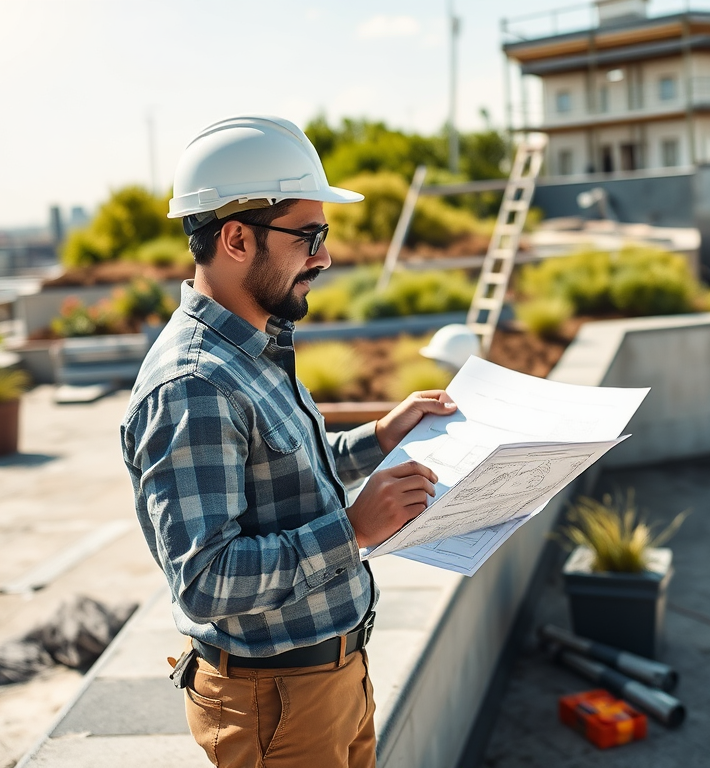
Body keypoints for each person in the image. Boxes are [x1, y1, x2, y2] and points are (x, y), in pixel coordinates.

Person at [120, 115, 456, 768]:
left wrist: (383, 435)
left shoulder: (254, 346)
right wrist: (353, 532)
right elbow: (205, 580)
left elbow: (288, 475)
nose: (324, 256)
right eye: (309, 235)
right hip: (275, 704)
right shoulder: (193, 385)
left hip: (323, 682)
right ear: (237, 239)